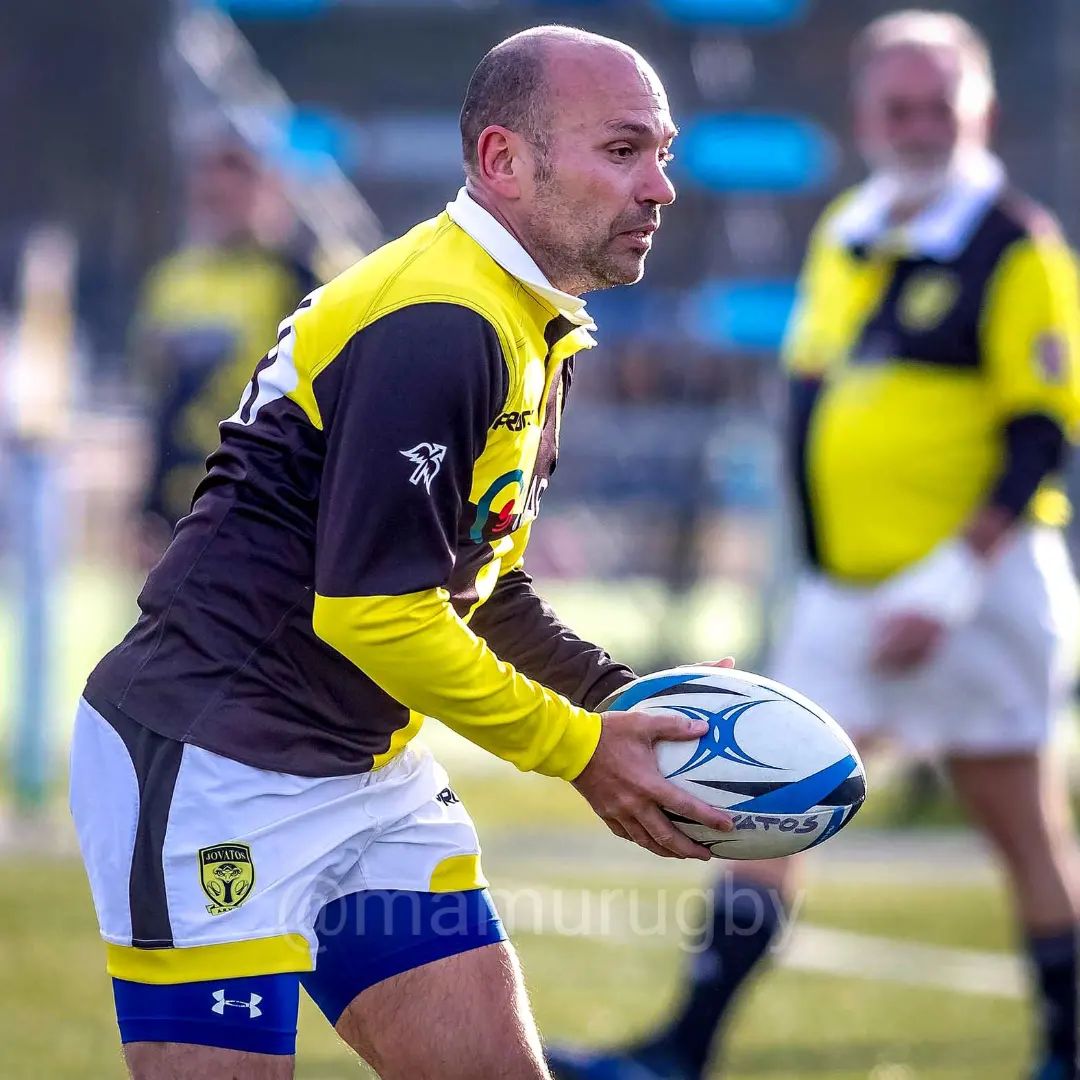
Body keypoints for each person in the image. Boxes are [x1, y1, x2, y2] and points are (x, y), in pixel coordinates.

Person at [68, 25, 736, 1080]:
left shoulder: (521, 312)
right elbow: (373, 612)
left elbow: (474, 586)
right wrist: (575, 751)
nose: (659, 186)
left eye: (662, 152)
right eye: (622, 152)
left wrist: (619, 698)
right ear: (504, 161)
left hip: (364, 777)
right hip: (212, 766)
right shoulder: (442, 320)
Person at [548, 11, 1080, 1080]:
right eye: (900, 105)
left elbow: (1042, 432)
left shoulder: (1014, 241)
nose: (920, 124)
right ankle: (681, 1051)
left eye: (941, 105)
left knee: (1018, 818)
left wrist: (949, 574)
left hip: (974, 590)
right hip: (846, 594)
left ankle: (1067, 1052)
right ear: (864, 114)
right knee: (758, 802)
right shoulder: (849, 227)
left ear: (982, 112)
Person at [129, 138, 317, 563]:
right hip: (186, 488)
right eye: (212, 198)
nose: (224, 210)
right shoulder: (171, 281)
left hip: (265, 488)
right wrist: (147, 505)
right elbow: (160, 401)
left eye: (237, 196)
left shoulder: (296, 279)